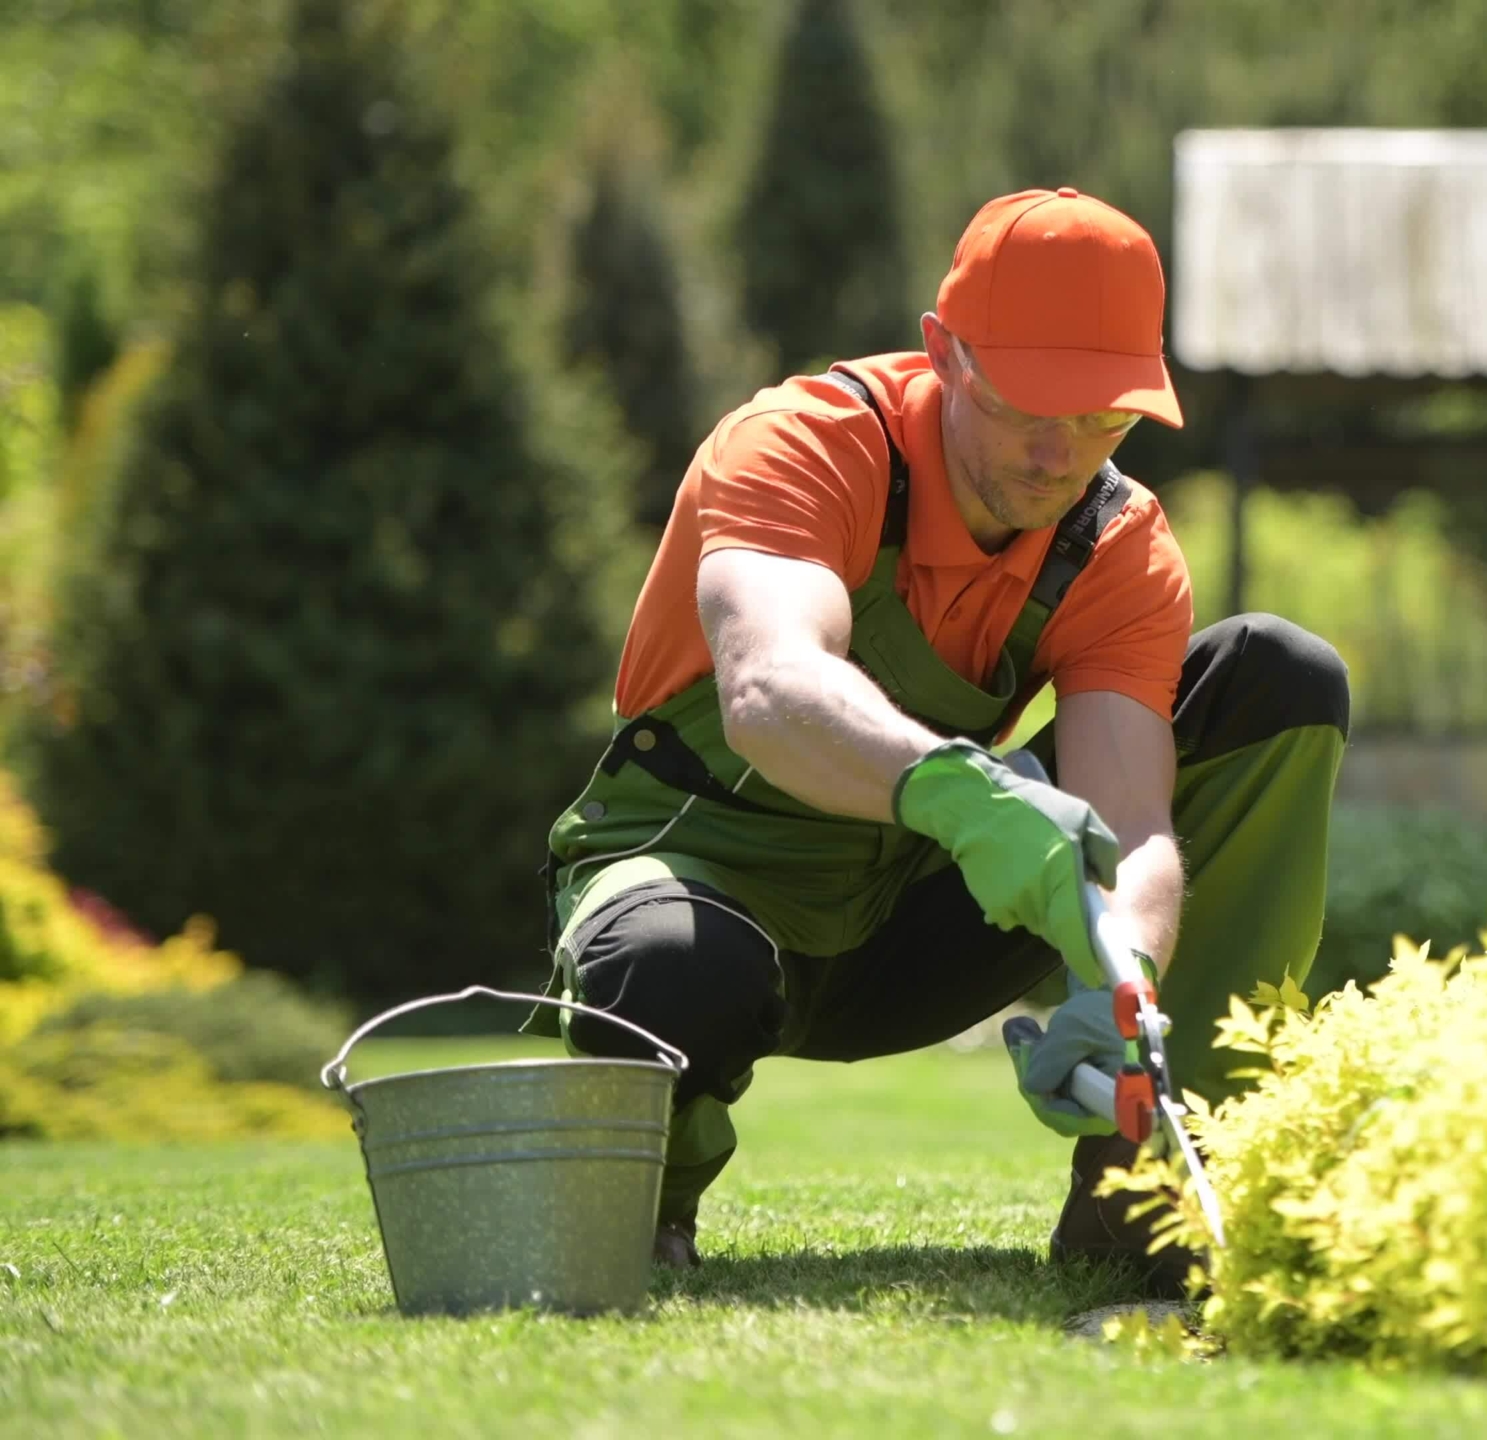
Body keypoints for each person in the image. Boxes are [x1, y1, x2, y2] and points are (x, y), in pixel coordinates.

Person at [522, 187, 1350, 1297]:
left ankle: (1142, 1190)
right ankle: (649, 1202)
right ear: (944, 354)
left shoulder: (1115, 542)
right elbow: (768, 687)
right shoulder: (803, 445)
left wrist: (1124, 988)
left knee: (1277, 676)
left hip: (911, 913)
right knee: (667, 969)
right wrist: (969, 799)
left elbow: (1135, 821)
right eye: (1028, 409)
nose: (1063, 456)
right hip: (703, 882)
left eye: (1103, 417)